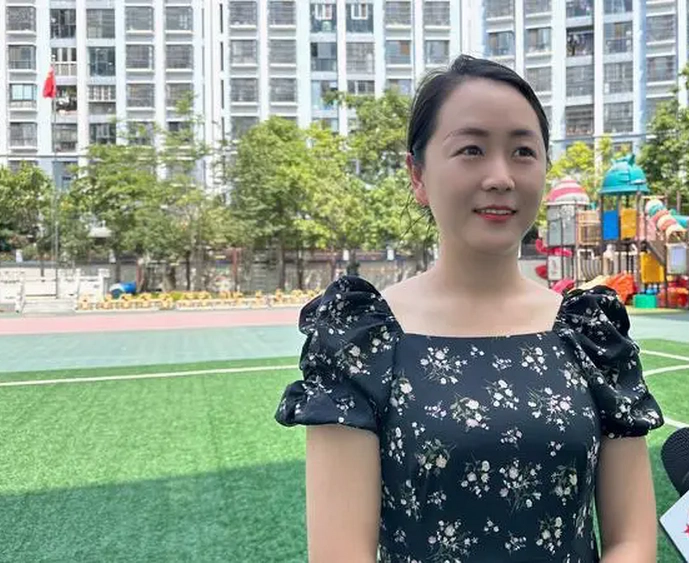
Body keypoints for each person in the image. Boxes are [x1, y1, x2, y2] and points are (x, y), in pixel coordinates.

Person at [275, 55, 664, 562]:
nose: (501, 176)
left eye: (523, 151)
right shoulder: (362, 341)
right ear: (417, 175)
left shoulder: (590, 334)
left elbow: (631, 539)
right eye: (472, 149)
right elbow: (340, 553)